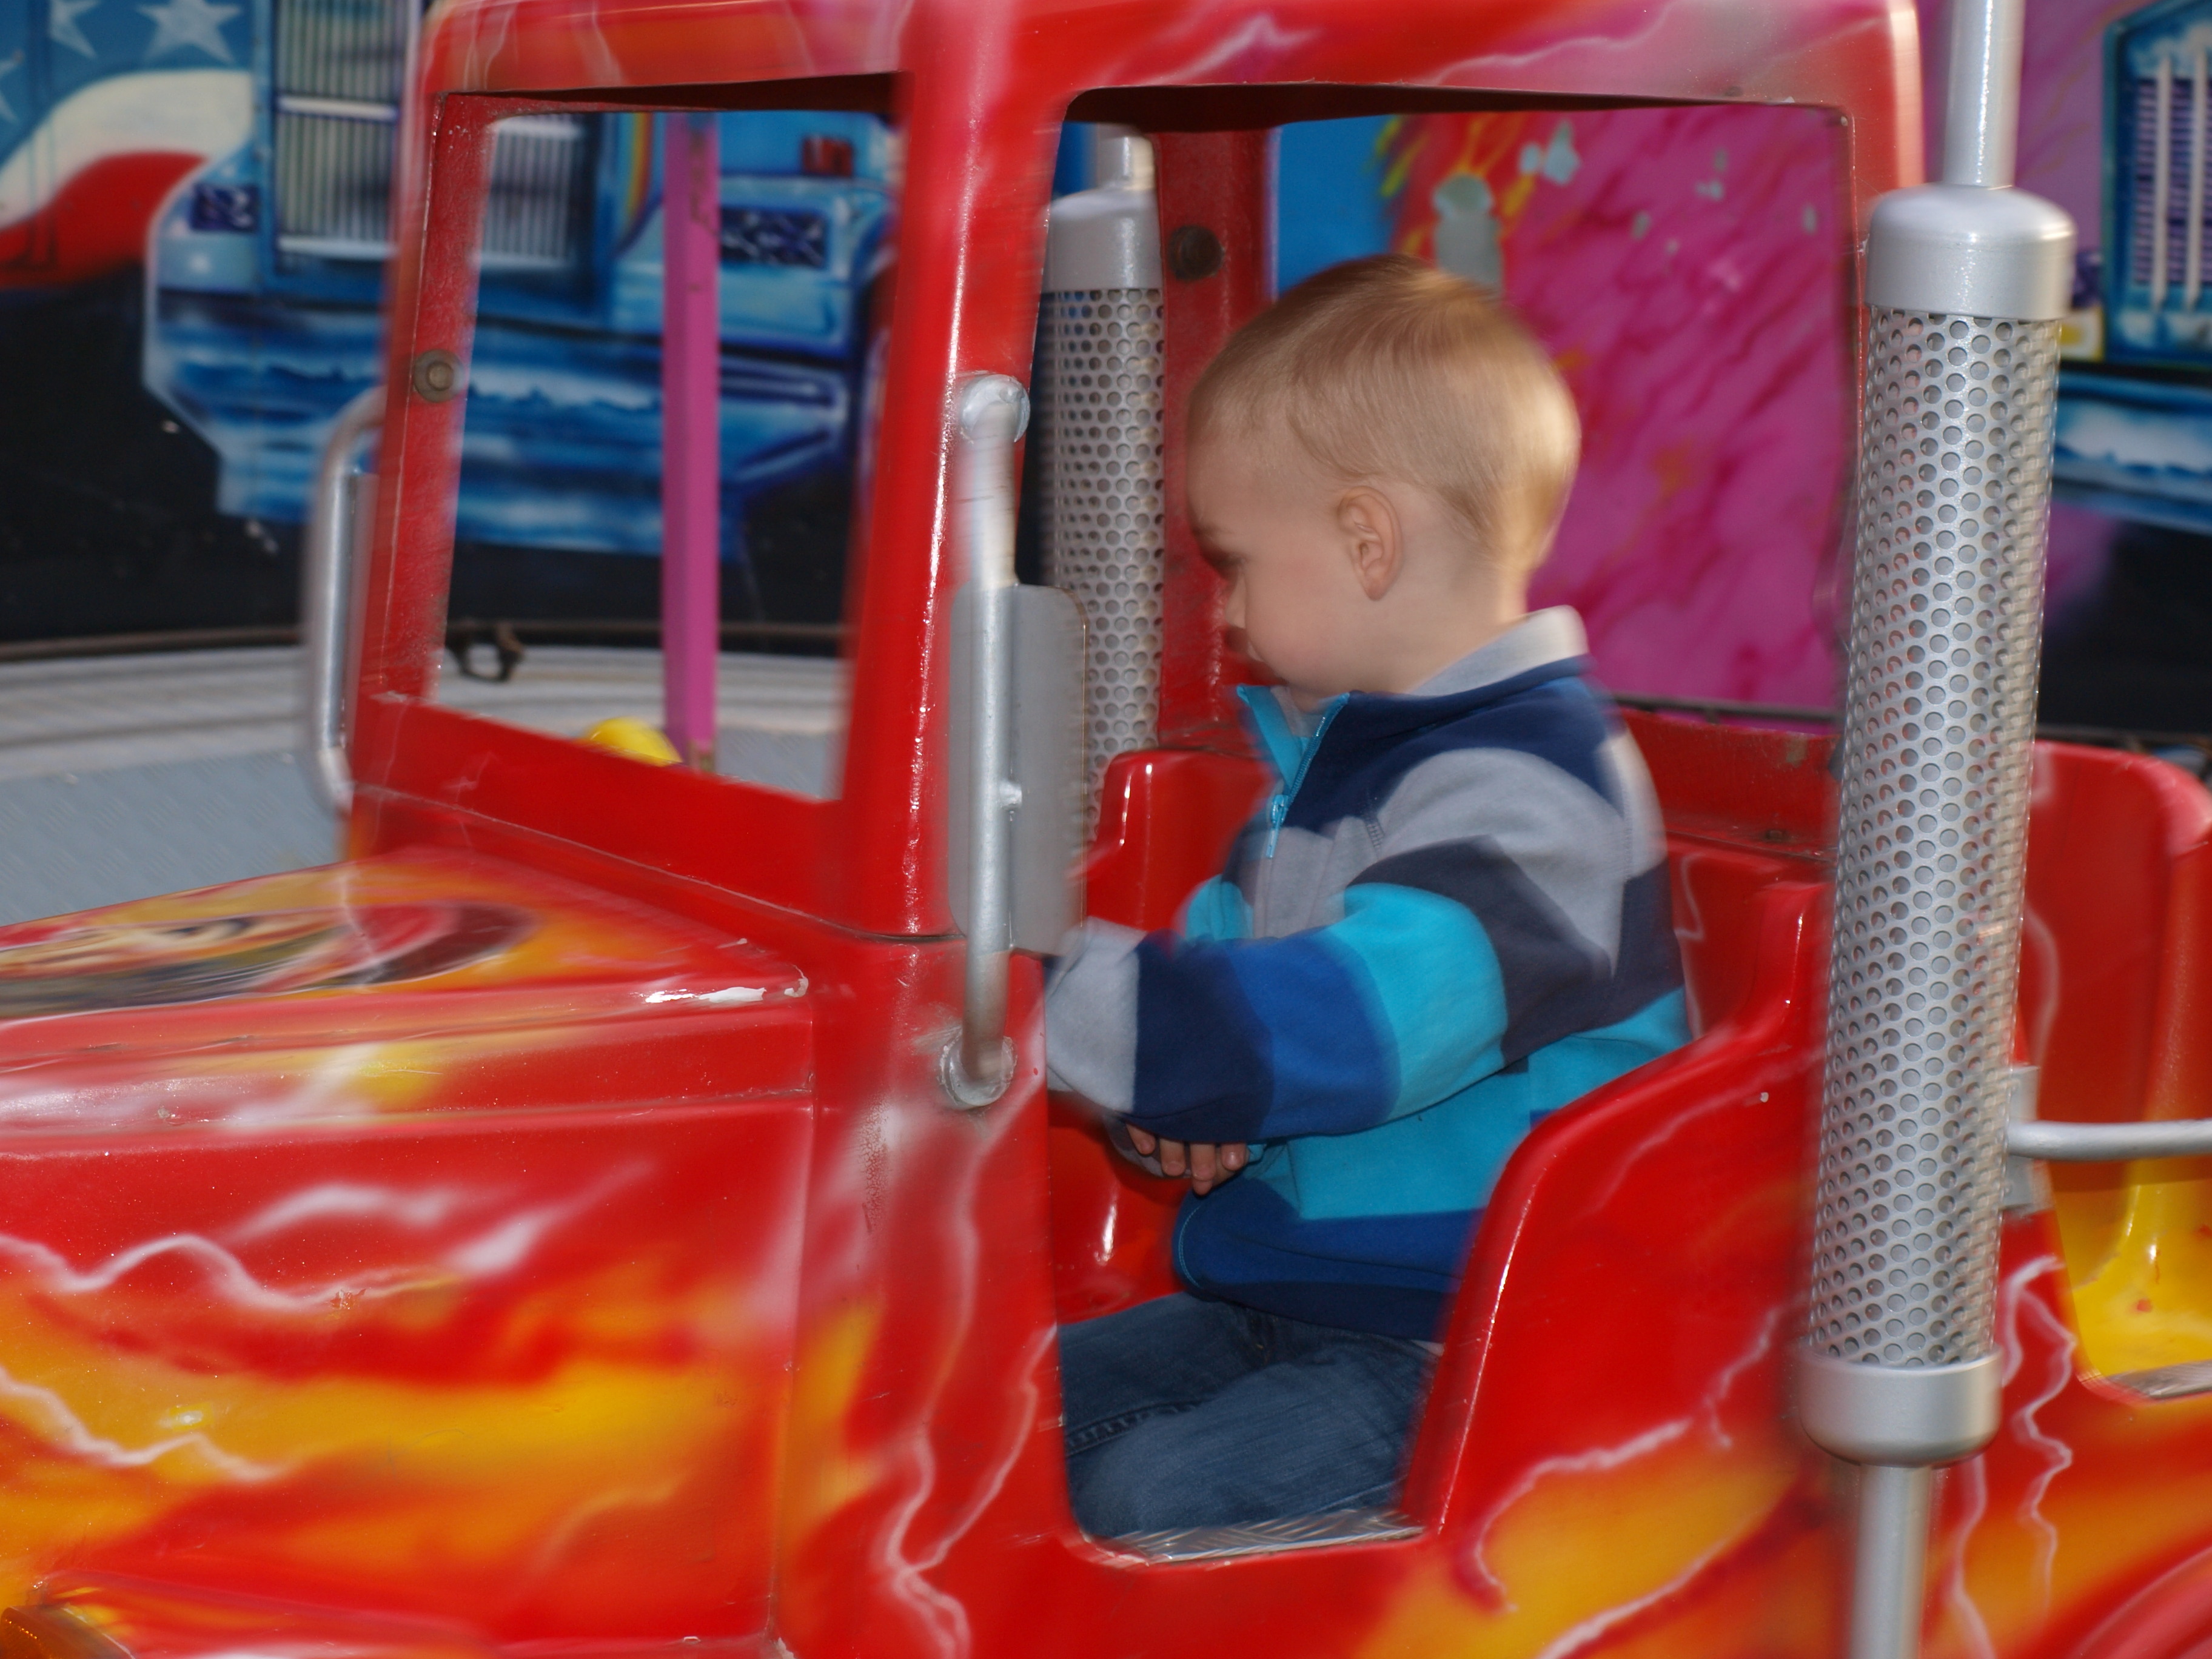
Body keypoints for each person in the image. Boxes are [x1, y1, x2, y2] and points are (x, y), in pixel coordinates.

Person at [1044, 254, 1690, 1538]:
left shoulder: (1533, 795)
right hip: (1295, 1299)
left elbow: (1343, 1030)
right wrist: (1171, 1112)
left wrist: (1027, 989)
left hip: (1475, 1341)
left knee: (1151, 1502)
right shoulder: (1335, 773)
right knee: (985, 1417)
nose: (1226, 612)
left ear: (1365, 540)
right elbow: (1222, 997)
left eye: (1235, 563)